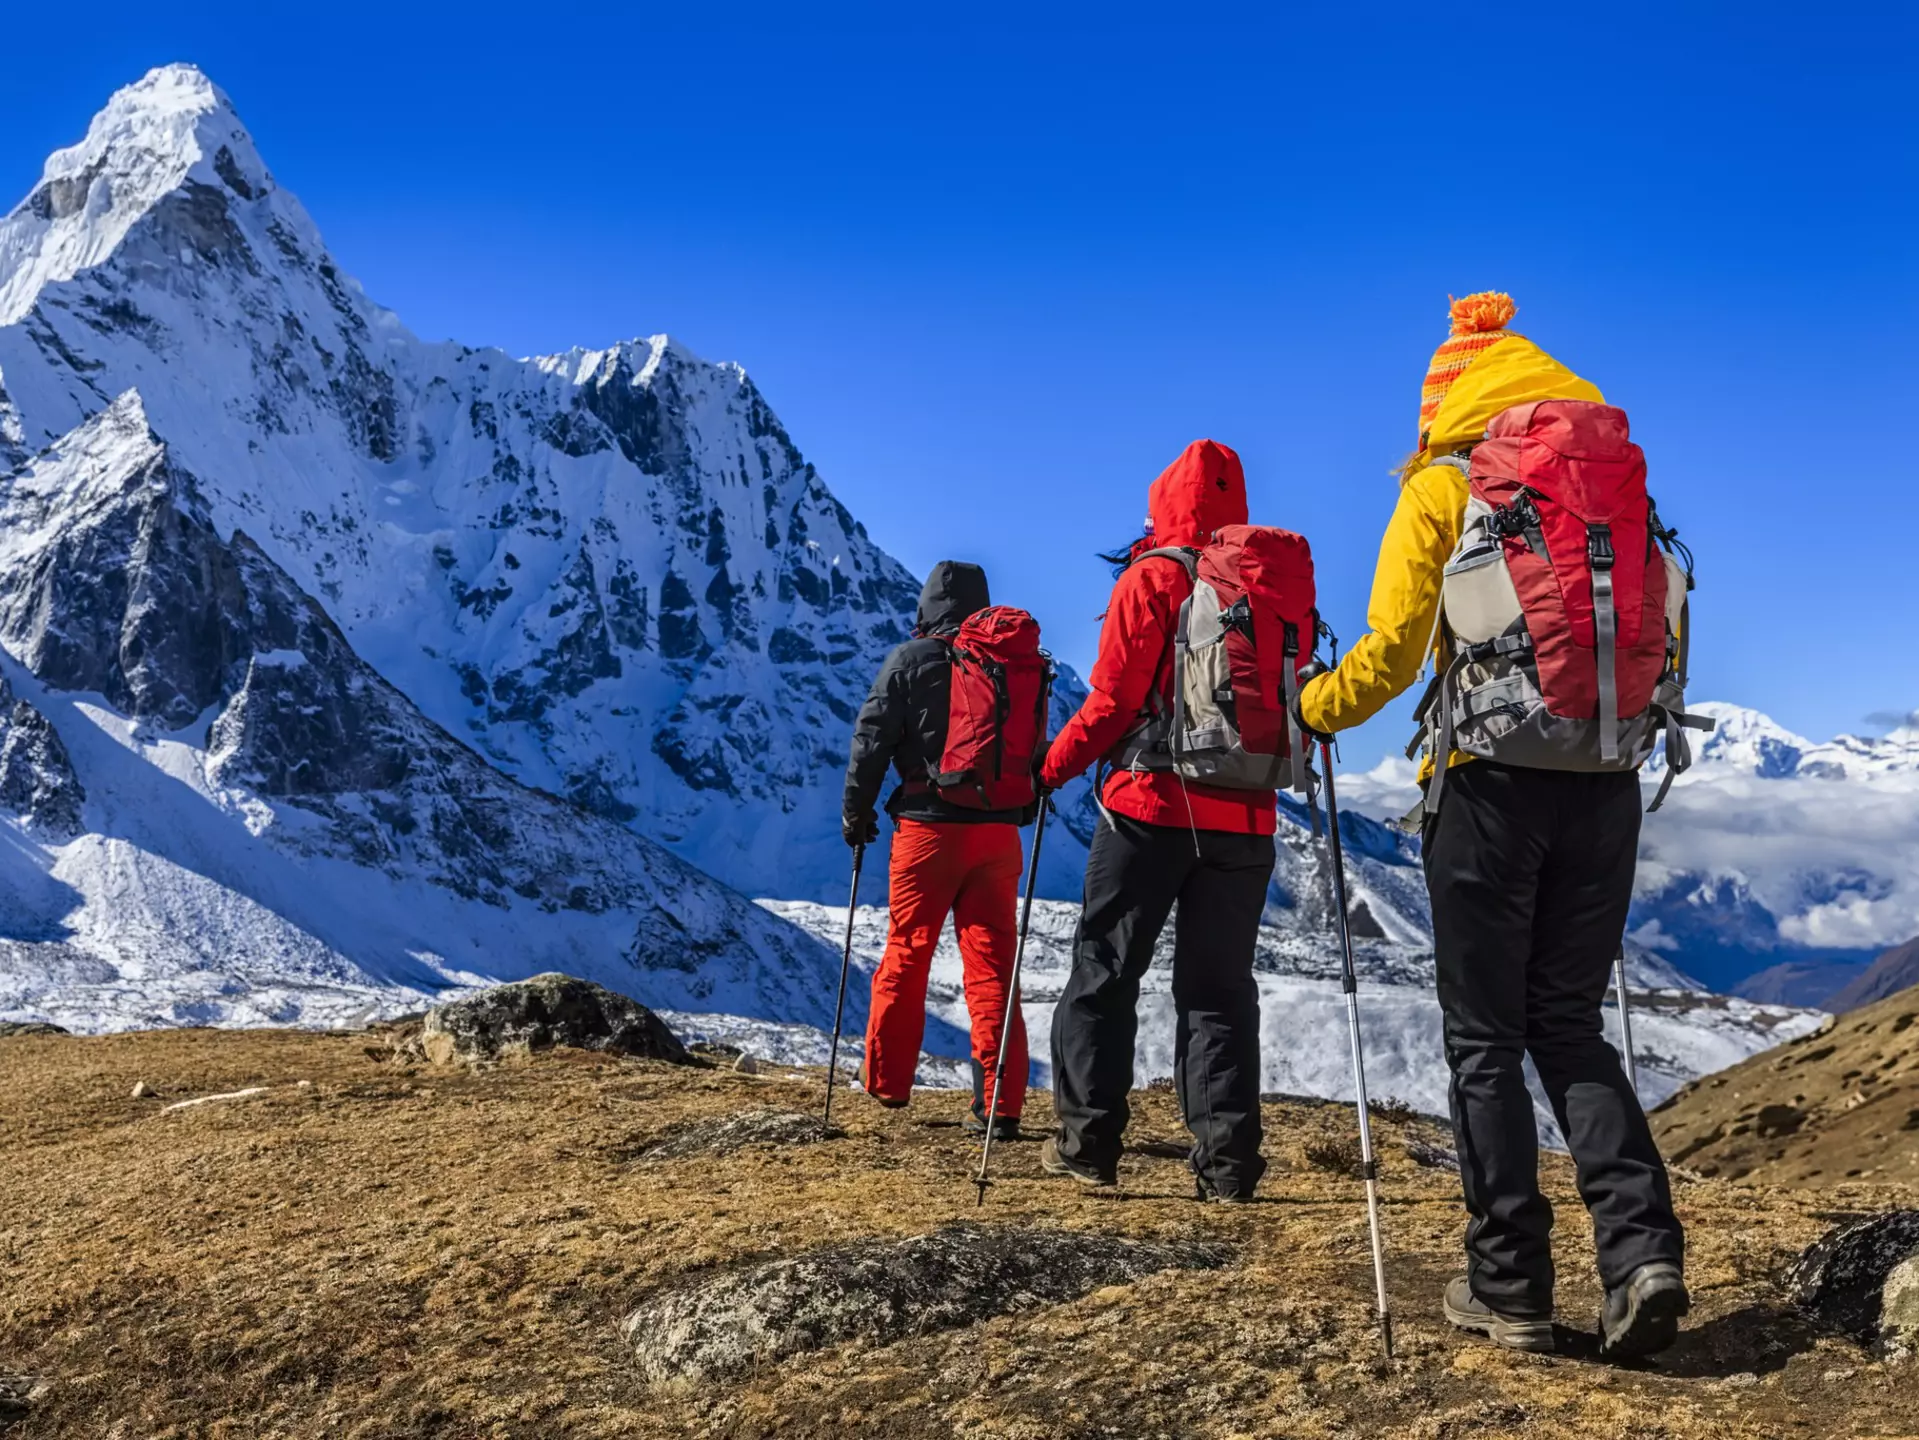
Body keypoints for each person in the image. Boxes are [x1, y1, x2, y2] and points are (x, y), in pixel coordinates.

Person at [1295, 292, 1689, 1358]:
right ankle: (1641, 1251)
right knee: (1566, 1025)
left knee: (1482, 1041)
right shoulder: (1616, 485)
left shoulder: (1443, 486)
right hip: (1603, 784)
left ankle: (1507, 1284)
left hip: (1485, 791)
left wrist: (1310, 706)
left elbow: (1385, 653)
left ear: (1446, 401)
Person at [1037, 439, 1275, 1201]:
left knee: (1105, 974)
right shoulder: (1265, 581)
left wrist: (1048, 771)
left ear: (1164, 504)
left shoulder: (1153, 577)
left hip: (1150, 809)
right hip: (1245, 814)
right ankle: (1228, 1166)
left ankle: (1088, 1146)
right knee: (1218, 991)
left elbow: (1109, 703)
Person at [842, 561, 1028, 1139]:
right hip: (998, 834)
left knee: (908, 950)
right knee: (993, 964)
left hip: (927, 833)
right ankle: (999, 1105)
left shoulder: (910, 660)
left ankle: (889, 1084)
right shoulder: (1011, 662)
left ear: (926, 609)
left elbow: (871, 741)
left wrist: (857, 813)